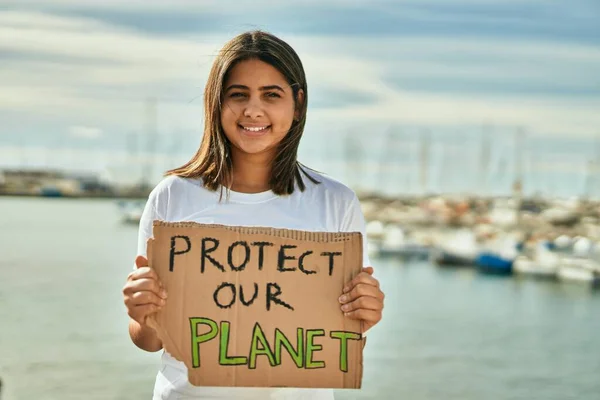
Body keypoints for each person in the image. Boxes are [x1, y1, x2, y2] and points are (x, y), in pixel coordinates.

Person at [122, 30, 385, 400]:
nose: (253, 110)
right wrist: (141, 313)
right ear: (216, 102)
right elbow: (148, 341)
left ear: (298, 103)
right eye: (238, 95)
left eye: (271, 95)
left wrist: (364, 315)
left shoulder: (336, 202)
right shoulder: (172, 197)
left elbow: (339, 338)